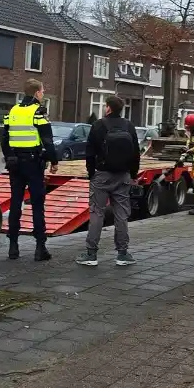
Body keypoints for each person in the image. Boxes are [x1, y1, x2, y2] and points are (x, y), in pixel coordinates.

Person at [76, 95, 139, 266]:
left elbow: (89, 152)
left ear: (109, 108)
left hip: (102, 175)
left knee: (97, 213)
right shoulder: (129, 125)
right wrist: (133, 175)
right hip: (123, 176)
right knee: (121, 214)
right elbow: (136, 153)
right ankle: (123, 254)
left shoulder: (98, 125)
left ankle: (91, 254)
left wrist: (91, 173)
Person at [2, 79, 59, 261]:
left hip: (15, 164)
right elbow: (48, 141)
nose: (43, 95)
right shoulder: (38, 112)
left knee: (15, 203)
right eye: (42, 92)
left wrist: (10, 157)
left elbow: (4, 139)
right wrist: (54, 161)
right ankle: (40, 248)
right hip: (33, 163)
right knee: (37, 205)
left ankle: (13, 248)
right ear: (36, 93)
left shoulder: (13, 111)